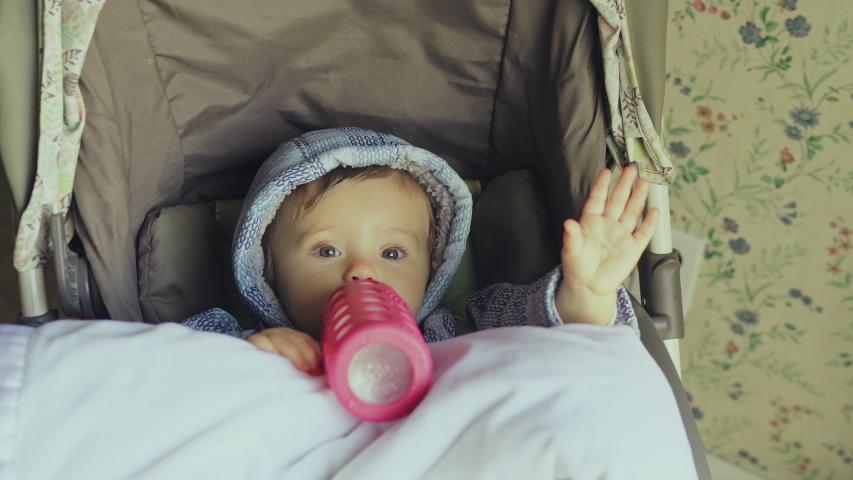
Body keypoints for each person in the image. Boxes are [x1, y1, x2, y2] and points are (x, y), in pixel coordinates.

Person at [181, 127, 659, 375]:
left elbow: (550, 346)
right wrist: (245, 361)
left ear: (432, 267)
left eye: (392, 253)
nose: (362, 271)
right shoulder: (240, 342)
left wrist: (586, 295)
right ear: (267, 271)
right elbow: (169, 373)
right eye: (326, 250)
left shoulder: (462, 329)